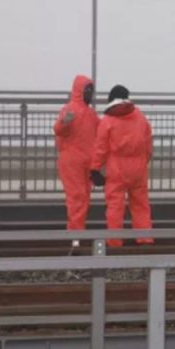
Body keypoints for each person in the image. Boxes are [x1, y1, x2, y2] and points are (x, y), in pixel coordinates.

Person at [90, 85, 154, 248]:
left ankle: (115, 240)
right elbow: (148, 145)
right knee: (140, 205)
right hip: (138, 167)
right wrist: (143, 161)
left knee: (115, 206)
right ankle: (144, 238)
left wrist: (95, 168)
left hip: (117, 168)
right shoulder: (140, 117)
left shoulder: (108, 120)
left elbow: (101, 147)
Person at [54, 75, 99, 242]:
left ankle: (77, 234)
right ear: (79, 90)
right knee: (77, 198)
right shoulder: (70, 109)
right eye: (87, 90)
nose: (90, 94)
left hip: (86, 162)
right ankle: (75, 236)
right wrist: (64, 122)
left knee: (83, 198)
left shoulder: (91, 114)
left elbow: (100, 133)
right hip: (72, 162)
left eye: (91, 91)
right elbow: (59, 130)